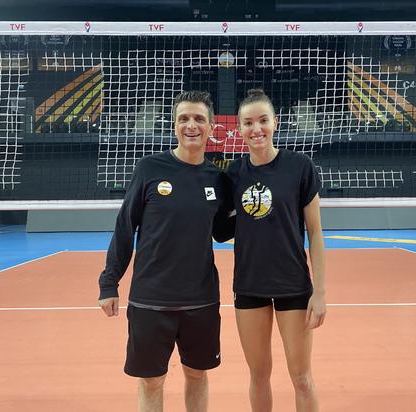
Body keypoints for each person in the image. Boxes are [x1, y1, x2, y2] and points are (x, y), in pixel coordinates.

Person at [98, 91, 233, 412]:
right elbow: (125, 226)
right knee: (151, 381)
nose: (191, 125)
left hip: (201, 300)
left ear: (211, 127)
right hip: (151, 300)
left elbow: (221, 232)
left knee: (197, 375)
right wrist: (109, 282)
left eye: (199, 119)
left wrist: (254, 210)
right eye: (184, 118)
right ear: (174, 125)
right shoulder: (149, 169)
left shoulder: (217, 178)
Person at [225, 89, 327, 412]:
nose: (256, 129)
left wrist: (320, 293)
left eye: (263, 121)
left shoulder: (300, 167)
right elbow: (219, 225)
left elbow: (315, 233)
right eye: (248, 123)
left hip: (293, 284)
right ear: (239, 129)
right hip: (249, 284)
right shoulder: (233, 174)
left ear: (275, 123)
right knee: (258, 375)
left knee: (301, 377)